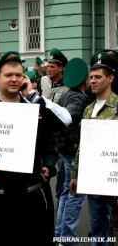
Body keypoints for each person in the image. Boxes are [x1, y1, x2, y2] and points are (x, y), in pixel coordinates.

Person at [0, 51, 71, 245]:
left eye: (19, 75)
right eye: (8, 75)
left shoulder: (34, 106)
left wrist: (33, 96)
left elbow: (63, 122)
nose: (14, 79)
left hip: (32, 195)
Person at [70, 52, 118, 245]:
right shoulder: (89, 109)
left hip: (112, 179)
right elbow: (84, 145)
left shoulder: (117, 107)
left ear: (111, 78)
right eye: (91, 77)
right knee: (97, 225)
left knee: (113, 223)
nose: (93, 81)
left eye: (98, 77)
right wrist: (75, 173)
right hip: (93, 178)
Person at [54, 58, 90, 244]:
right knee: (75, 193)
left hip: (66, 150)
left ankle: (60, 235)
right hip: (72, 152)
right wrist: (71, 145)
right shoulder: (77, 97)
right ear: (85, 79)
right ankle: (67, 238)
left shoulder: (67, 94)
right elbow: (68, 120)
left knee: (67, 193)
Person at [38, 48, 70, 203]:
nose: (48, 69)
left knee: (62, 172)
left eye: (52, 66)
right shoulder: (43, 81)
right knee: (44, 168)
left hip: (61, 134)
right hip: (44, 133)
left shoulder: (68, 86)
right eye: (48, 65)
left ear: (61, 68)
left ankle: (60, 200)